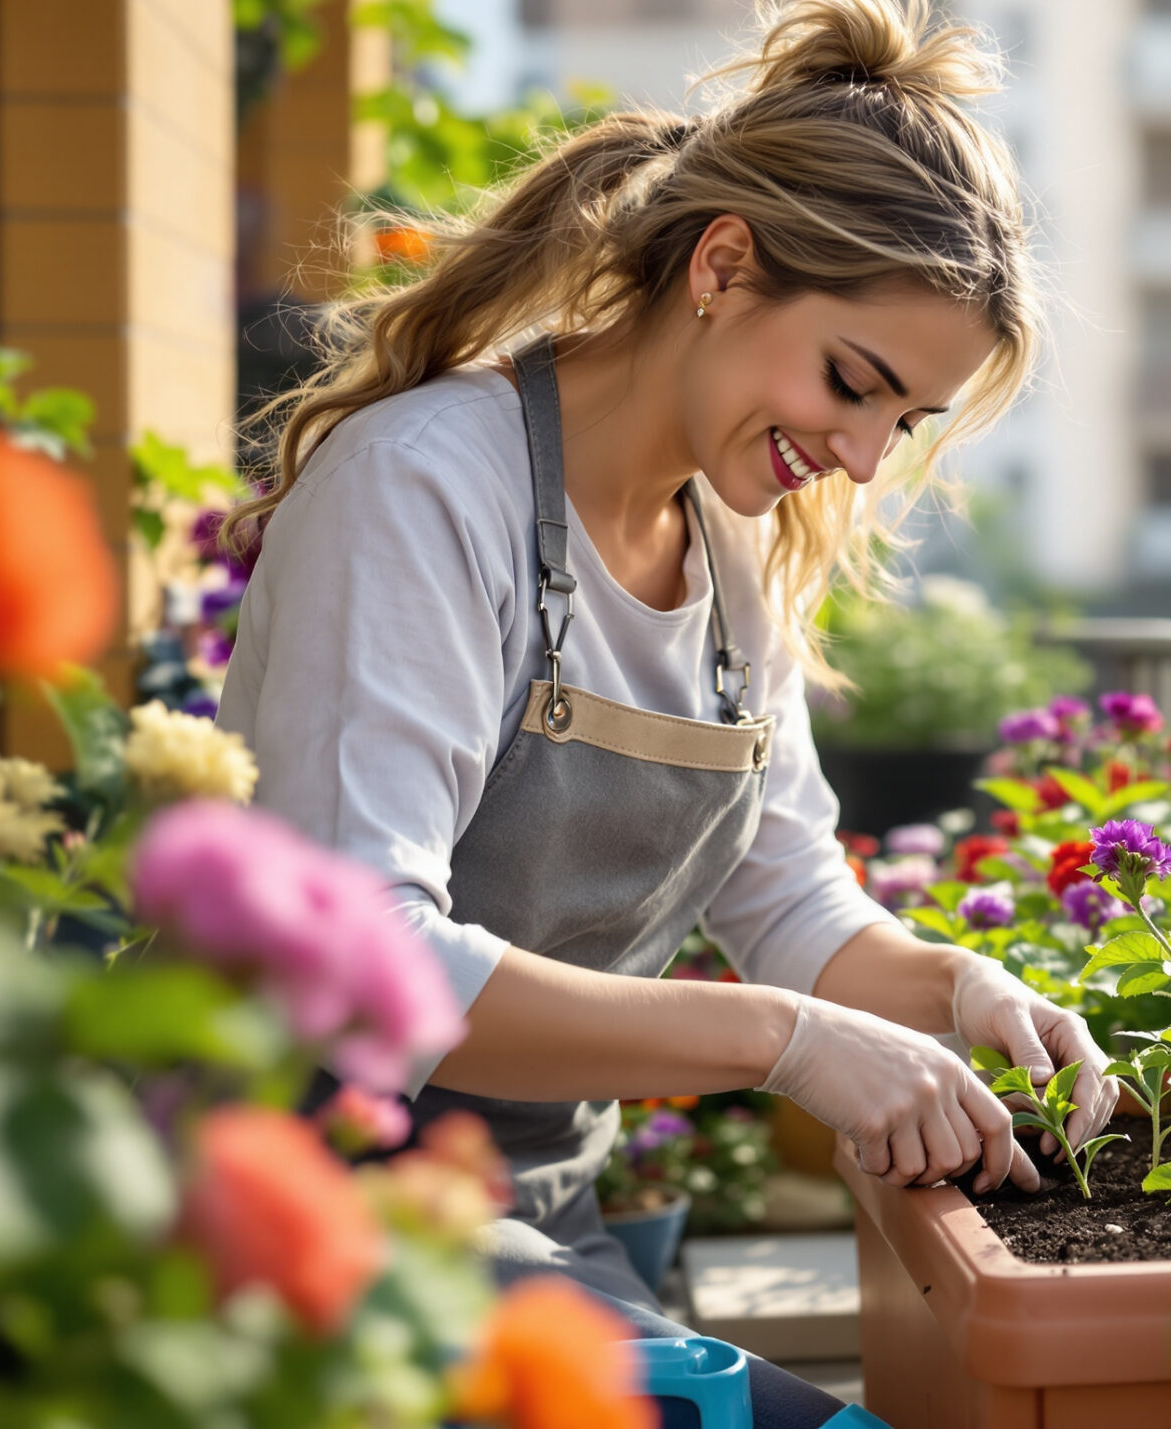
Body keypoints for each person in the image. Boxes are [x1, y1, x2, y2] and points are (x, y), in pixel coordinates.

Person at [215, 2, 1110, 1422]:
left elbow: (795, 904)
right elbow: (359, 958)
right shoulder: (429, 488)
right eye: (854, 385)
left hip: (519, 1227)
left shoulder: (734, 552)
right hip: (296, 1218)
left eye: (907, 422)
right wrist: (784, 1043)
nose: (865, 459)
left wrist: (952, 991)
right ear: (725, 265)